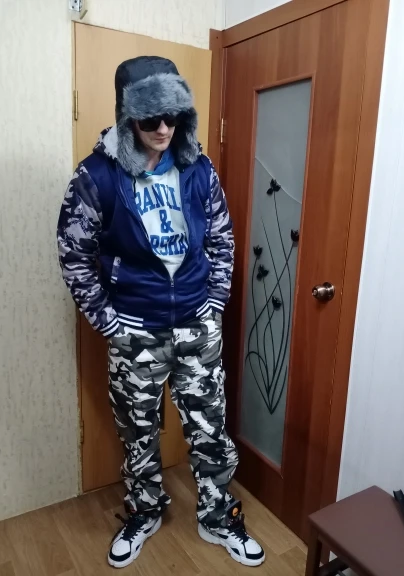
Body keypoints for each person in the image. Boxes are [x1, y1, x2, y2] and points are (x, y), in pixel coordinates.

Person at [57, 56, 265, 569]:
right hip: (136, 332)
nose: (163, 129)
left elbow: (221, 236)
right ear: (128, 115)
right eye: (151, 118)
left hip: (197, 325)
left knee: (210, 429)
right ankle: (145, 511)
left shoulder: (197, 166)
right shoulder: (97, 175)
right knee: (138, 433)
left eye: (173, 116)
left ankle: (218, 518)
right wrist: (107, 320)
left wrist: (215, 301)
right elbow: (73, 252)